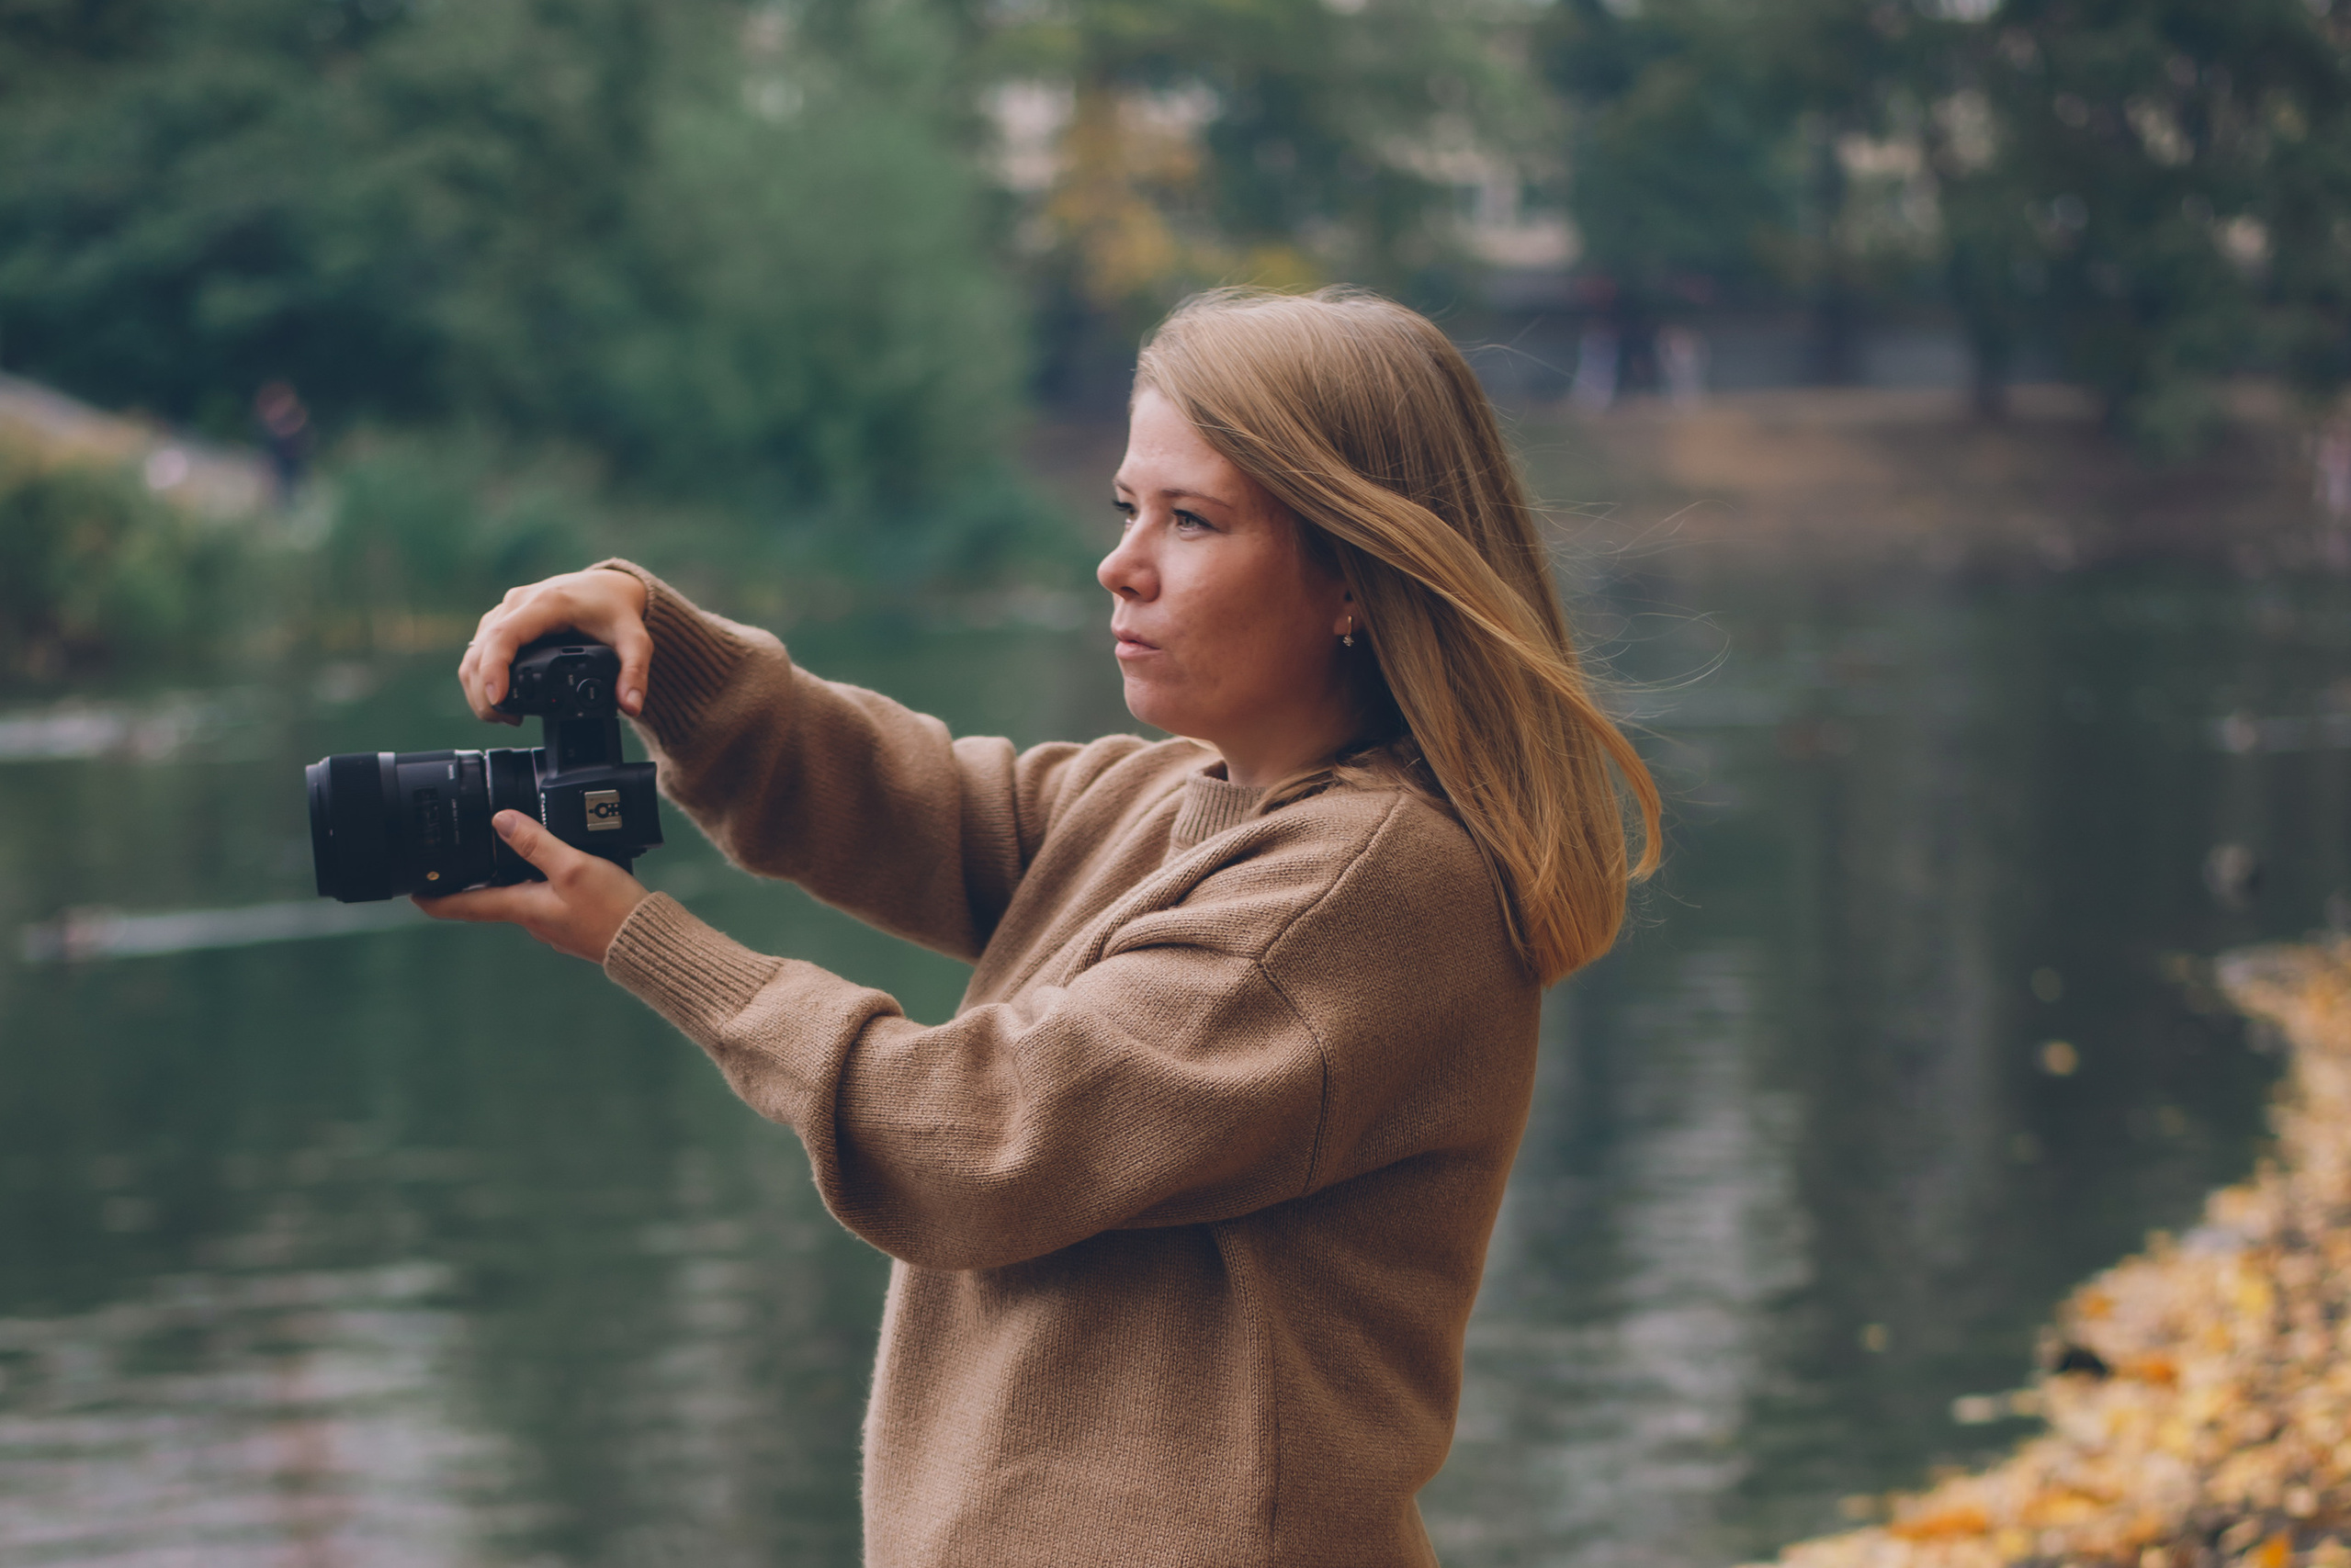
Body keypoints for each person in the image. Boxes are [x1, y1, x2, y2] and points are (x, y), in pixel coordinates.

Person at [422, 287, 1661, 1567]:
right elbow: (913, 800)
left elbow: (980, 1138)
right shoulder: (1179, 801)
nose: (1121, 562)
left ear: (1354, 576)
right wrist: (663, 651)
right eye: (1129, 508)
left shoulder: (1363, 886)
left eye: (1193, 520)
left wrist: (649, 943)